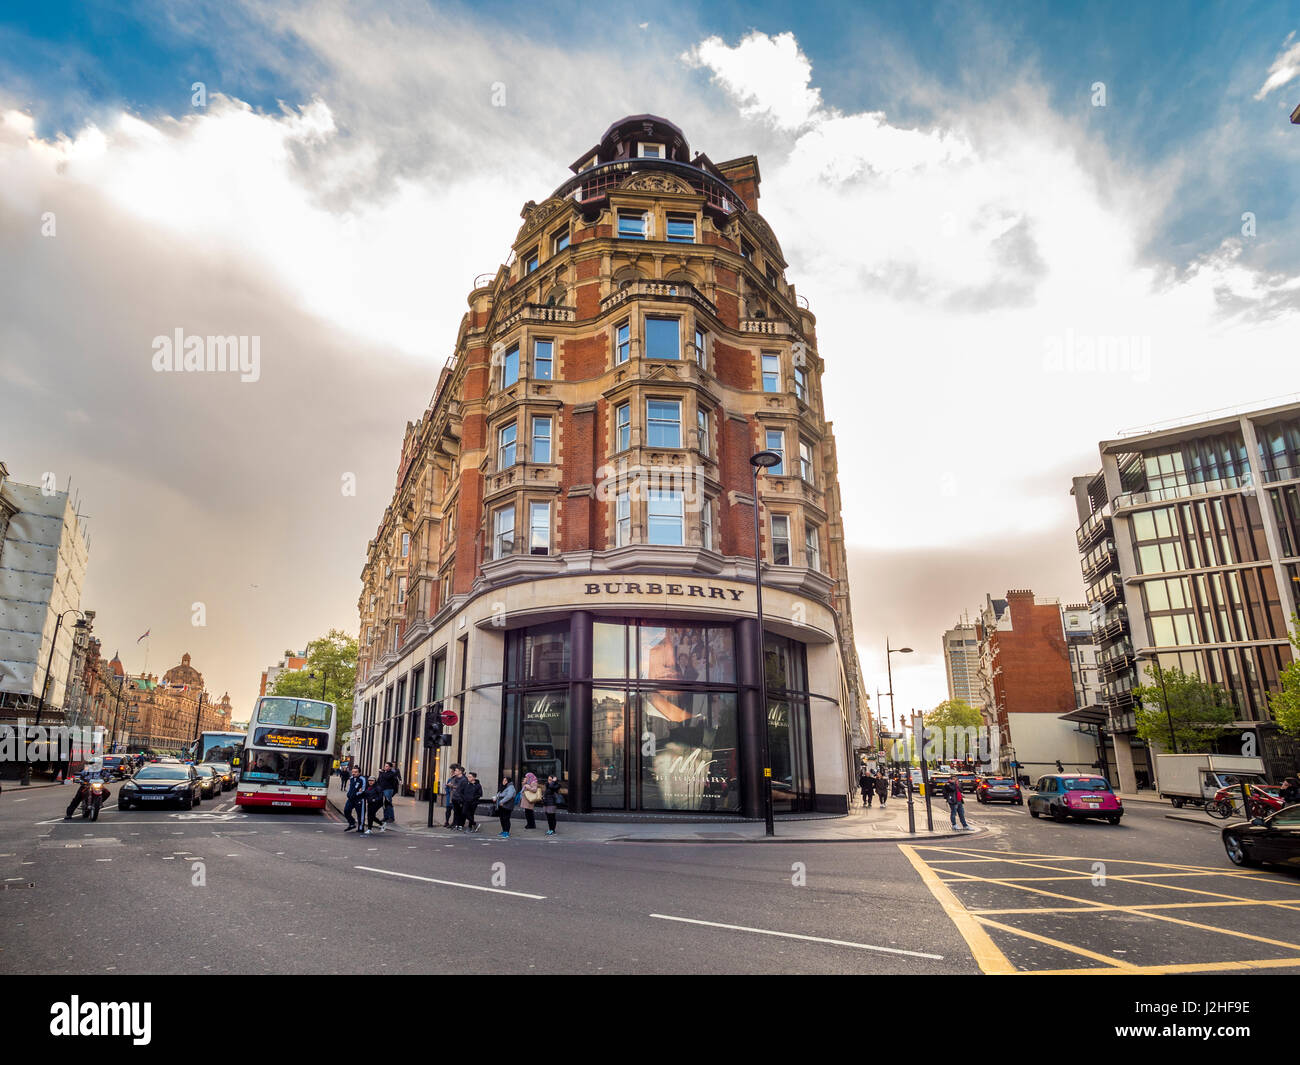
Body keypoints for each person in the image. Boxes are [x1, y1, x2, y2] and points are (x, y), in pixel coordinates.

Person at [344, 765, 368, 832]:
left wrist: (357, 793)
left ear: (359, 773)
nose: (354, 773)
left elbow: (363, 790)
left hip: (359, 799)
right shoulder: (351, 778)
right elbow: (350, 788)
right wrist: (349, 794)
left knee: (360, 814)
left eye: (356, 772)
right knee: (346, 811)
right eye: (353, 772)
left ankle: (360, 828)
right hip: (351, 799)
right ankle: (352, 823)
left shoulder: (362, 779)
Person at [377, 761, 401, 826]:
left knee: (388, 803)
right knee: (384, 804)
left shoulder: (391, 773)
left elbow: (386, 777)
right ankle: (386, 817)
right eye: (385, 766)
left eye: (387, 766)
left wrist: (381, 772)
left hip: (388, 790)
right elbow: (379, 780)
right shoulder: (383, 773)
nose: (385, 767)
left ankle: (391, 818)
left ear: (390, 767)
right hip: (382, 789)